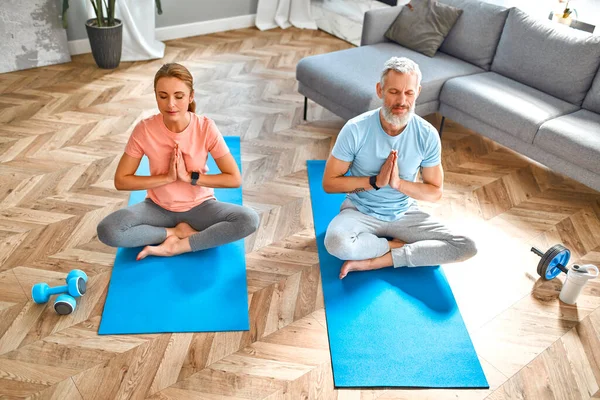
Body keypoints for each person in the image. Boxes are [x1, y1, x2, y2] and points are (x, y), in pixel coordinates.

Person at [322, 57, 477, 279]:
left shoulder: (427, 134)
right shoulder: (355, 129)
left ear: (418, 92)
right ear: (380, 90)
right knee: (336, 243)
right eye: (394, 91)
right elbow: (329, 183)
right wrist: (374, 182)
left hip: (405, 213)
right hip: (360, 211)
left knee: (466, 245)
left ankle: (379, 260)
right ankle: (394, 246)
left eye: (409, 93)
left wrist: (398, 184)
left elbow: (435, 192)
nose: (401, 101)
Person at [97, 63, 259, 260]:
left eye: (179, 96)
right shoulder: (144, 129)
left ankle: (180, 246)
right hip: (157, 208)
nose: (170, 104)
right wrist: (166, 178)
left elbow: (233, 178)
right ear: (156, 95)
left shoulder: (205, 127)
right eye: (163, 96)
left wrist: (189, 177)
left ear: (191, 96)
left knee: (248, 219)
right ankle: (175, 232)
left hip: (201, 207)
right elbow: (121, 181)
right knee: (108, 230)